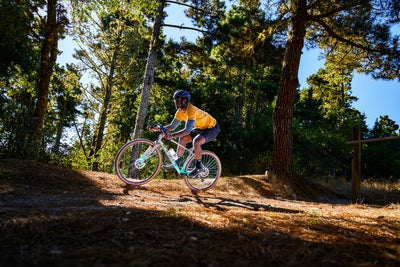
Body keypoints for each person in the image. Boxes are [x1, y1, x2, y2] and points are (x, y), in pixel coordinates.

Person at [149, 90, 220, 177]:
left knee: (196, 142)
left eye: (178, 100)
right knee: (183, 139)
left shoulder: (191, 109)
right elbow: (171, 127)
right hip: (200, 128)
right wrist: (156, 129)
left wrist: (172, 135)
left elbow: (187, 130)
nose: (176, 102)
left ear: (185, 100)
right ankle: (177, 162)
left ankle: (199, 167)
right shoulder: (179, 112)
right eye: (175, 100)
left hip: (212, 127)